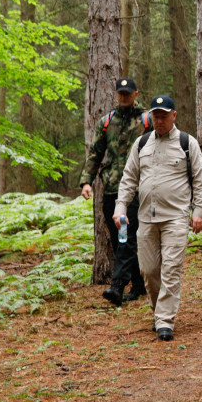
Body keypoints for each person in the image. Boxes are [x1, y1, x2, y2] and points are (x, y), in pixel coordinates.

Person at [114, 95, 202, 341]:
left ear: (174, 115)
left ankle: (165, 321)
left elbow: (200, 180)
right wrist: (121, 206)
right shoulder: (141, 143)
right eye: (155, 115)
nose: (159, 120)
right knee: (148, 269)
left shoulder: (187, 143)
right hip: (146, 217)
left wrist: (199, 211)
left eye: (164, 115)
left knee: (171, 268)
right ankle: (159, 311)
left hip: (175, 217)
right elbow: (129, 178)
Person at [79, 78, 151, 307]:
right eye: (121, 93)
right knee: (119, 238)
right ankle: (139, 286)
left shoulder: (146, 120)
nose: (124, 97)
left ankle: (118, 285)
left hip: (136, 189)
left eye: (128, 93)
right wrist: (86, 181)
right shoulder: (107, 121)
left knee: (127, 237)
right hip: (111, 187)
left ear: (135, 94)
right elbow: (95, 153)